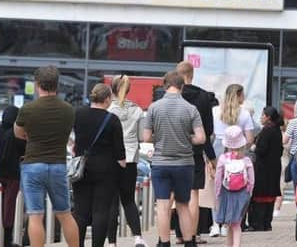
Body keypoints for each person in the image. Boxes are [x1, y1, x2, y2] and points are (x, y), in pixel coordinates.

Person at [14, 66, 79, 247]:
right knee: (65, 214)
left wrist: (30, 135)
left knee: (35, 215)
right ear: (57, 85)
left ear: (37, 85)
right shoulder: (68, 110)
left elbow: (18, 133)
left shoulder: (28, 109)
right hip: (58, 165)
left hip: (33, 164)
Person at [143, 71, 205, 247]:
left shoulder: (154, 107)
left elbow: (146, 137)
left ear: (164, 85)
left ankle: (164, 243)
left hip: (161, 163)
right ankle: (189, 242)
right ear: (182, 86)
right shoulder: (191, 109)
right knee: (183, 205)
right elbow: (201, 138)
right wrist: (186, 138)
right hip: (184, 164)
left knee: (163, 207)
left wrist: (161, 137)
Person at [73, 83, 126, 247]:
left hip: (82, 168)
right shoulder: (112, 120)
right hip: (105, 170)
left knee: (80, 212)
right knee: (101, 211)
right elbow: (120, 154)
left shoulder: (78, 114)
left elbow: (71, 139)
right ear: (107, 99)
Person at [177, 61, 217, 244]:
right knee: (193, 194)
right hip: (195, 151)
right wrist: (212, 158)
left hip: (173, 150)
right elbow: (207, 131)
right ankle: (191, 236)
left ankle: (177, 233)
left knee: (173, 196)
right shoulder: (202, 97)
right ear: (192, 74)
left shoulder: (172, 96)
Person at [106, 76, 148, 247]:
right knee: (129, 200)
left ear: (112, 89)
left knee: (112, 202)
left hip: (111, 159)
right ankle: (138, 237)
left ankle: (112, 242)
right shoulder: (137, 110)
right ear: (128, 90)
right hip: (130, 159)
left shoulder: (108, 110)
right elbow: (141, 136)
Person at [210, 84, 254, 237]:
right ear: (239, 96)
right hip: (237, 152)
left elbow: (211, 134)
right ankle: (228, 224)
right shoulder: (245, 114)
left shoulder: (215, 111)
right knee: (234, 187)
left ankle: (215, 223)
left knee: (216, 187)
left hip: (217, 149)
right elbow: (249, 139)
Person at [0, 105, 26, 247]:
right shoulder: (17, 135)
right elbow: (24, 151)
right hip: (12, 176)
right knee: (8, 209)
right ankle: (7, 241)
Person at [214, 126, 254, 247]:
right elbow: (251, 180)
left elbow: (217, 179)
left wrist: (217, 194)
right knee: (237, 224)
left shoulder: (222, 159)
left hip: (226, 193)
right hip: (242, 193)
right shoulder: (246, 160)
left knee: (230, 224)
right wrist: (249, 192)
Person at [247, 106, 283, 232]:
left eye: (263, 115)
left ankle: (257, 223)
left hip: (263, 168)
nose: (261, 117)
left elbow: (262, 149)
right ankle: (267, 223)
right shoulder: (276, 130)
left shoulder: (267, 131)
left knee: (260, 195)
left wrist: (253, 147)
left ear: (268, 117)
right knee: (270, 195)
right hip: (274, 167)